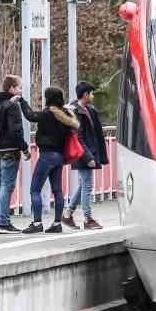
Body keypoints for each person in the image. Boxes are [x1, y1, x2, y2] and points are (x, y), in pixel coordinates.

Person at [18, 86, 79, 234]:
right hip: (59, 157)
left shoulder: (48, 114)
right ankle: (57, 223)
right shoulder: (66, 115)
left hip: (47, 155)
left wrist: (21, 101)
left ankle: (37, 223)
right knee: (57, 190)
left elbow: (30, 115)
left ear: (49, 98)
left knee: (35, 189)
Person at [0, 75, 30, 234]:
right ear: (11, 88)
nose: (20, 91)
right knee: (6, 186)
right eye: (19, 87)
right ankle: (4, 223)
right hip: (9, 151)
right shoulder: (12, 106)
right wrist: (24, 148)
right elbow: (15, 131)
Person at [63, 81, 109, 231]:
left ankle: (68, 214)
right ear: (85, 94)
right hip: (82, 154)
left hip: (89, 152)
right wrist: (88, 157)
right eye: (91, 93)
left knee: (84, 184)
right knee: (88, 185)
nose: (93, 96)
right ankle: (88, 219)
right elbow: (78, 137)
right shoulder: (75, 111)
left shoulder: (89, 109)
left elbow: (96, 134)